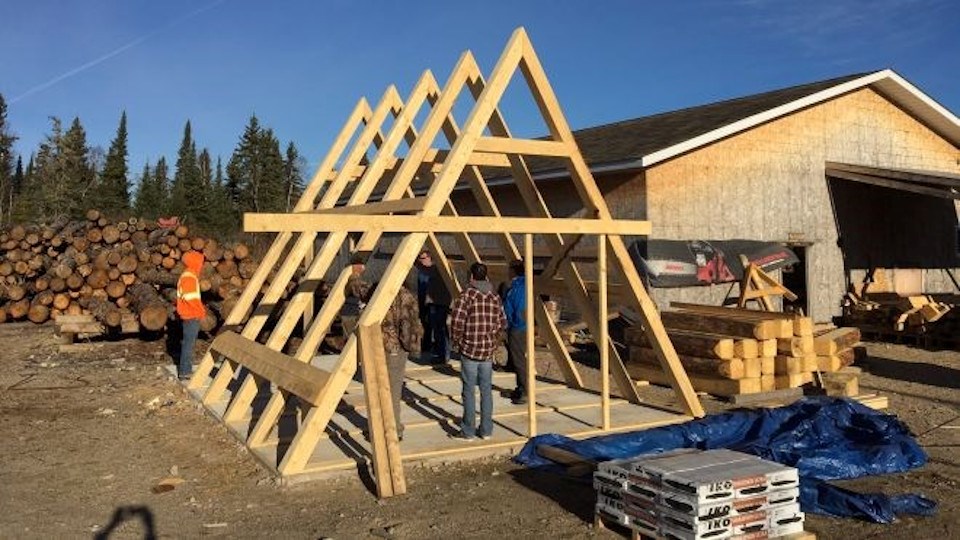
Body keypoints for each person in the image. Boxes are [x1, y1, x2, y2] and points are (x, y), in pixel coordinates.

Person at [449, 262, 507, 440]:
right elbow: (502, 321)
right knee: (486, 390)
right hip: (487, 351)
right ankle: (486, 430)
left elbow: (457, 321)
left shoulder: (467, 295)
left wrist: (457, 340)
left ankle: (468, 431)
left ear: (471, 276)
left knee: (468, 390)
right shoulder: (494, 296)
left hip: (469, 349)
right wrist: (493, 339)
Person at [380, 282, 423, 441]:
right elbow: (406, 326)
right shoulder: (404, 296)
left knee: (383, 389)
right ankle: (393, 429)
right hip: (396, 348)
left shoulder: (383, 291)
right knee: (393, 390)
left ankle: (383, 427)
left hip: (383, 345)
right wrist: (409, 347)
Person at [502, 258, 531, 405]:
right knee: (518, 359)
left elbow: (518, 306)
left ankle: (525, 391)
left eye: (509, 269)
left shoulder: (518, 286)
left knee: (519, 360)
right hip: (521, 325)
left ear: (513, 270)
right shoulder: (522, 284)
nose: (507, 272)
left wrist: (513, 322)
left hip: (518, 327)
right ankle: (521, 387)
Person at [417, 250, 452, 364]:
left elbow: (426, 270)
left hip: (440, 303)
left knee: (440, 329)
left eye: (423, 259)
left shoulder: (437, 269)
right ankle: (439, 352)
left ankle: (443, 354)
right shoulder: (432, 270)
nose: (421, 262)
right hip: (433, 303)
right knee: (436, 329)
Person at [176, 251, 206, 380]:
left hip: (189, 314)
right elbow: (191, 298)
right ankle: (185, 371)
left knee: (188, 343)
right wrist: (200, 311)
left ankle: (185, 369)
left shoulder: (189, 275)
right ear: (195, 263)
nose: (202, 265)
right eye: (200, 262)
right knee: (189, 344)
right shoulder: (189, 277)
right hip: (191, 314)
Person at [341, 253, 370, 338]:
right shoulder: (353, 281)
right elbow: (362, 291)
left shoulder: (353, 280)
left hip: (350, 313)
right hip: (351, 314)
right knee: (353, 342)